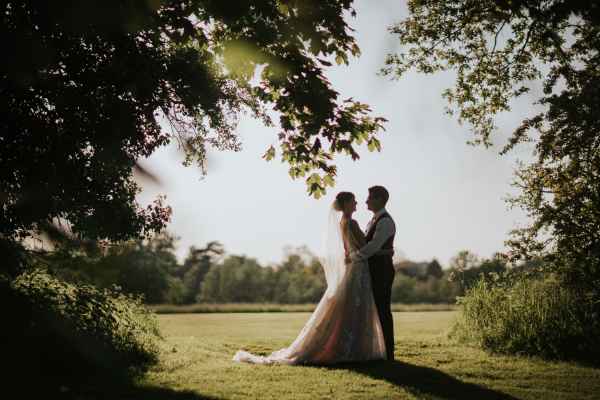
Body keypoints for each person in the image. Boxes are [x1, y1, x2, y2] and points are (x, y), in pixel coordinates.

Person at [232, 191, 388, 365]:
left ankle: (348, 345)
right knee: (356, 307)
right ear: (345, 204)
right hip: (358, 267)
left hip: (353, 265)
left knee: (350, 307)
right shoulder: (351, 223)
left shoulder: (342, 223)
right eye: (353, 201)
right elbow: (367, 247)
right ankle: (353, 348)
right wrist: (386, 251)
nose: (357, 203)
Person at [352, 185, 396, 361]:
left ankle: (389, 352)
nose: (366, 201)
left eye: (369, 197)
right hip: (373, 269)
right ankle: (376, 350)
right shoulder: (373, 220)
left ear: (379, 199)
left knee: (382, 309)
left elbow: (372, 246)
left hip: (382, 270)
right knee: (374, 310)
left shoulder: (385, 221)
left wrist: (354, 257)